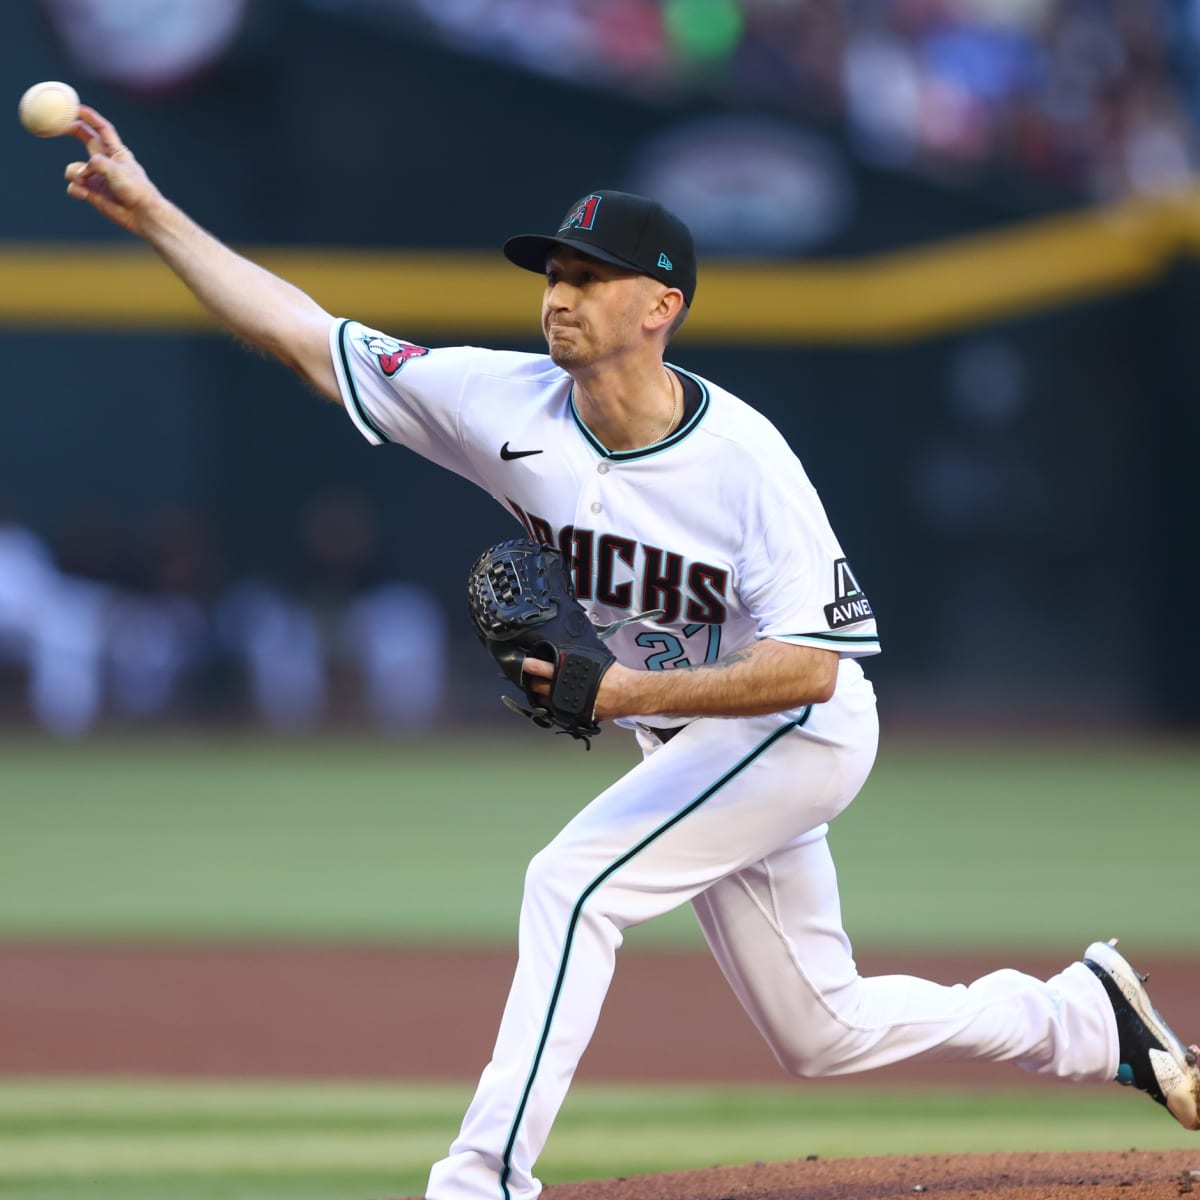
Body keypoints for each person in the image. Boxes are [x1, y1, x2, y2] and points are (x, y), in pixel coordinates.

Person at [61, 106, 1198, 1200]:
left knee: (571, 883)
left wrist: (623, 693)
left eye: (588, 277)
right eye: (554, 276)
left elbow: (815, 668)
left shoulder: (748, 462)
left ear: (661, 304)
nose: (559, 296)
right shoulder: (500, 400)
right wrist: (156, 212)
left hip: (798, 731)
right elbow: (304, 335)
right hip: (690, 740)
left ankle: (478, 1182)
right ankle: (1084, 1019)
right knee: (824, 1029)